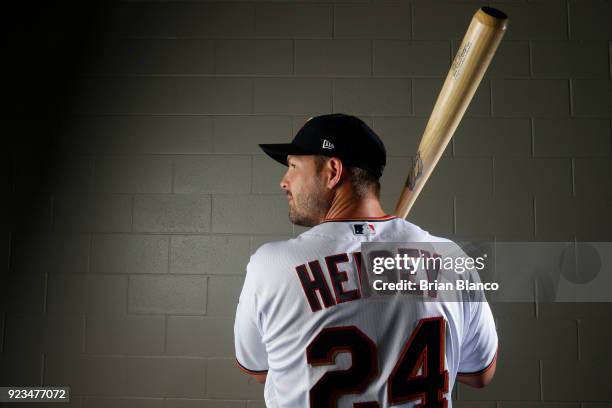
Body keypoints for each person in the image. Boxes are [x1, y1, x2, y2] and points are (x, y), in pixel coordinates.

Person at [234, 113, 498, 407]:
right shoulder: (450, 258)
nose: (284, 182)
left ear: (333, 170)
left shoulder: (269, 266)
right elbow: (480, 373)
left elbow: (258, 368)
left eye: (294, 166)